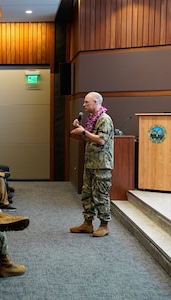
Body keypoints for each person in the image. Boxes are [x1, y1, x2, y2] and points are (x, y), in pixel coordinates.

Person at [69, 91, 114, 237]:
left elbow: (101, 140)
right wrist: (81, 132)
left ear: (95, 102)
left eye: (86, 102)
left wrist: (84, 131)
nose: (84, 105)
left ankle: (104, 225)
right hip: (90, 163)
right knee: (87, 194)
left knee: (100, 195)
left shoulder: (104, 119)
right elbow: (91, 139)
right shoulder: (92, 119)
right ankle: (87, 223)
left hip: (101, 164)